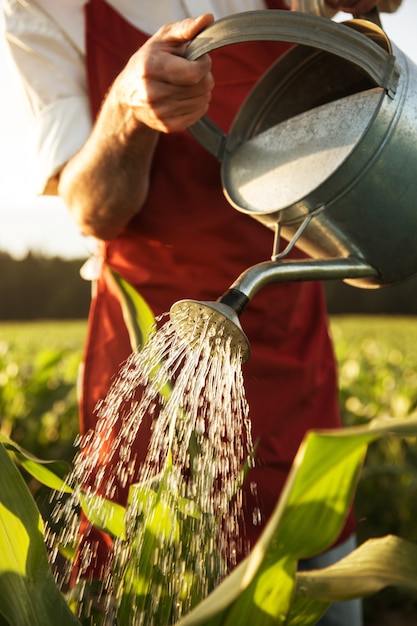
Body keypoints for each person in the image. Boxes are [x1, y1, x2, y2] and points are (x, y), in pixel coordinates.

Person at [3, 0, 402, 624]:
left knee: (314, 576)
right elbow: (90, 211)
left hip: (286, 340)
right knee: (148, 576)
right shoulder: (40, 9)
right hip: (151, 358)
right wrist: (127, 112)